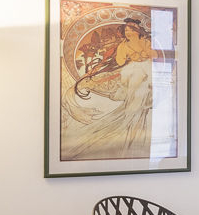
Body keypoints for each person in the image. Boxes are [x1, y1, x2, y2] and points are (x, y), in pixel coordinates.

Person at [61, 19, 157, 160]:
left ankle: (136, 136)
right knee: (134, 94)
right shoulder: (123, 45)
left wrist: (143, 53)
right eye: (126, 30)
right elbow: (120, 61)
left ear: (138, 30)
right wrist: (122, 55)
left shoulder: (146, 42)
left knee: (140, 99)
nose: (128, 32)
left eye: (131, 30)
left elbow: (154, 56)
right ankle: (129, 135)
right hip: (133, 71)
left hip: (148, 70)